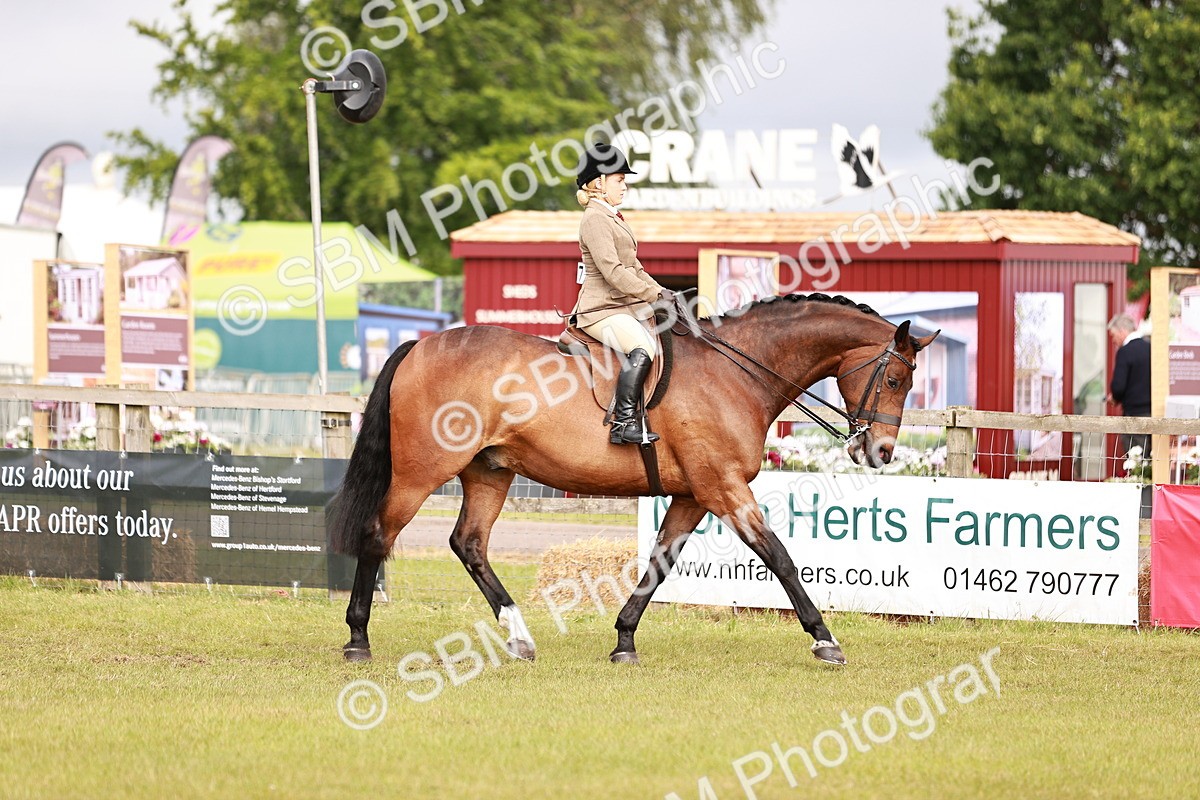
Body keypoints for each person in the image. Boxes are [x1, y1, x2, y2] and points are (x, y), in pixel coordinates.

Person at [571, 142, 672, 445]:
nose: (624, 186)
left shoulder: (612, 217)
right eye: (619, 180)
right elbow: (613, 272)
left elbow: (634, 267)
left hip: (621, 307)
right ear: (599, 183)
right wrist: (651, 296)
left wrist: (663, 292)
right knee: (643, 347)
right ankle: (623, 423)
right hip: (600, 309)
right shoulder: (595, 219)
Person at [1107, 313, 1152, 463]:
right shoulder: (1150, 347)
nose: (1114, 340)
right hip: (1154, 415)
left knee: (1136, 464)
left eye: (1113, 335)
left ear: (1122, 331)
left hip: (1134, 416)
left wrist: (1114, 397)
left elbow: (1118, 387)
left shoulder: (1125, 352)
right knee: (1151, 462)